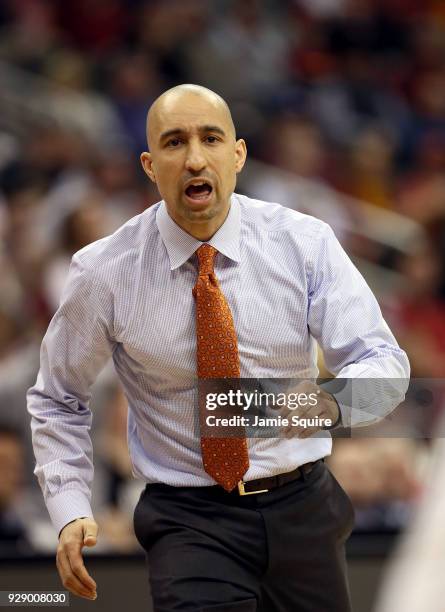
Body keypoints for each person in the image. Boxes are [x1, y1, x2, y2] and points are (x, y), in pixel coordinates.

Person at [27, 84, 410, 611]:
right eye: (174, 142)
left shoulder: (304, 242)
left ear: (238, 155)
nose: (194, 158)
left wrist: (320, 405)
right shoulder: (103, 273)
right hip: (189, 521)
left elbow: (383, 364)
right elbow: (58, 398)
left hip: (304, 506)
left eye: (210, 138)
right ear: (148, 164)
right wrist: (70, 506)